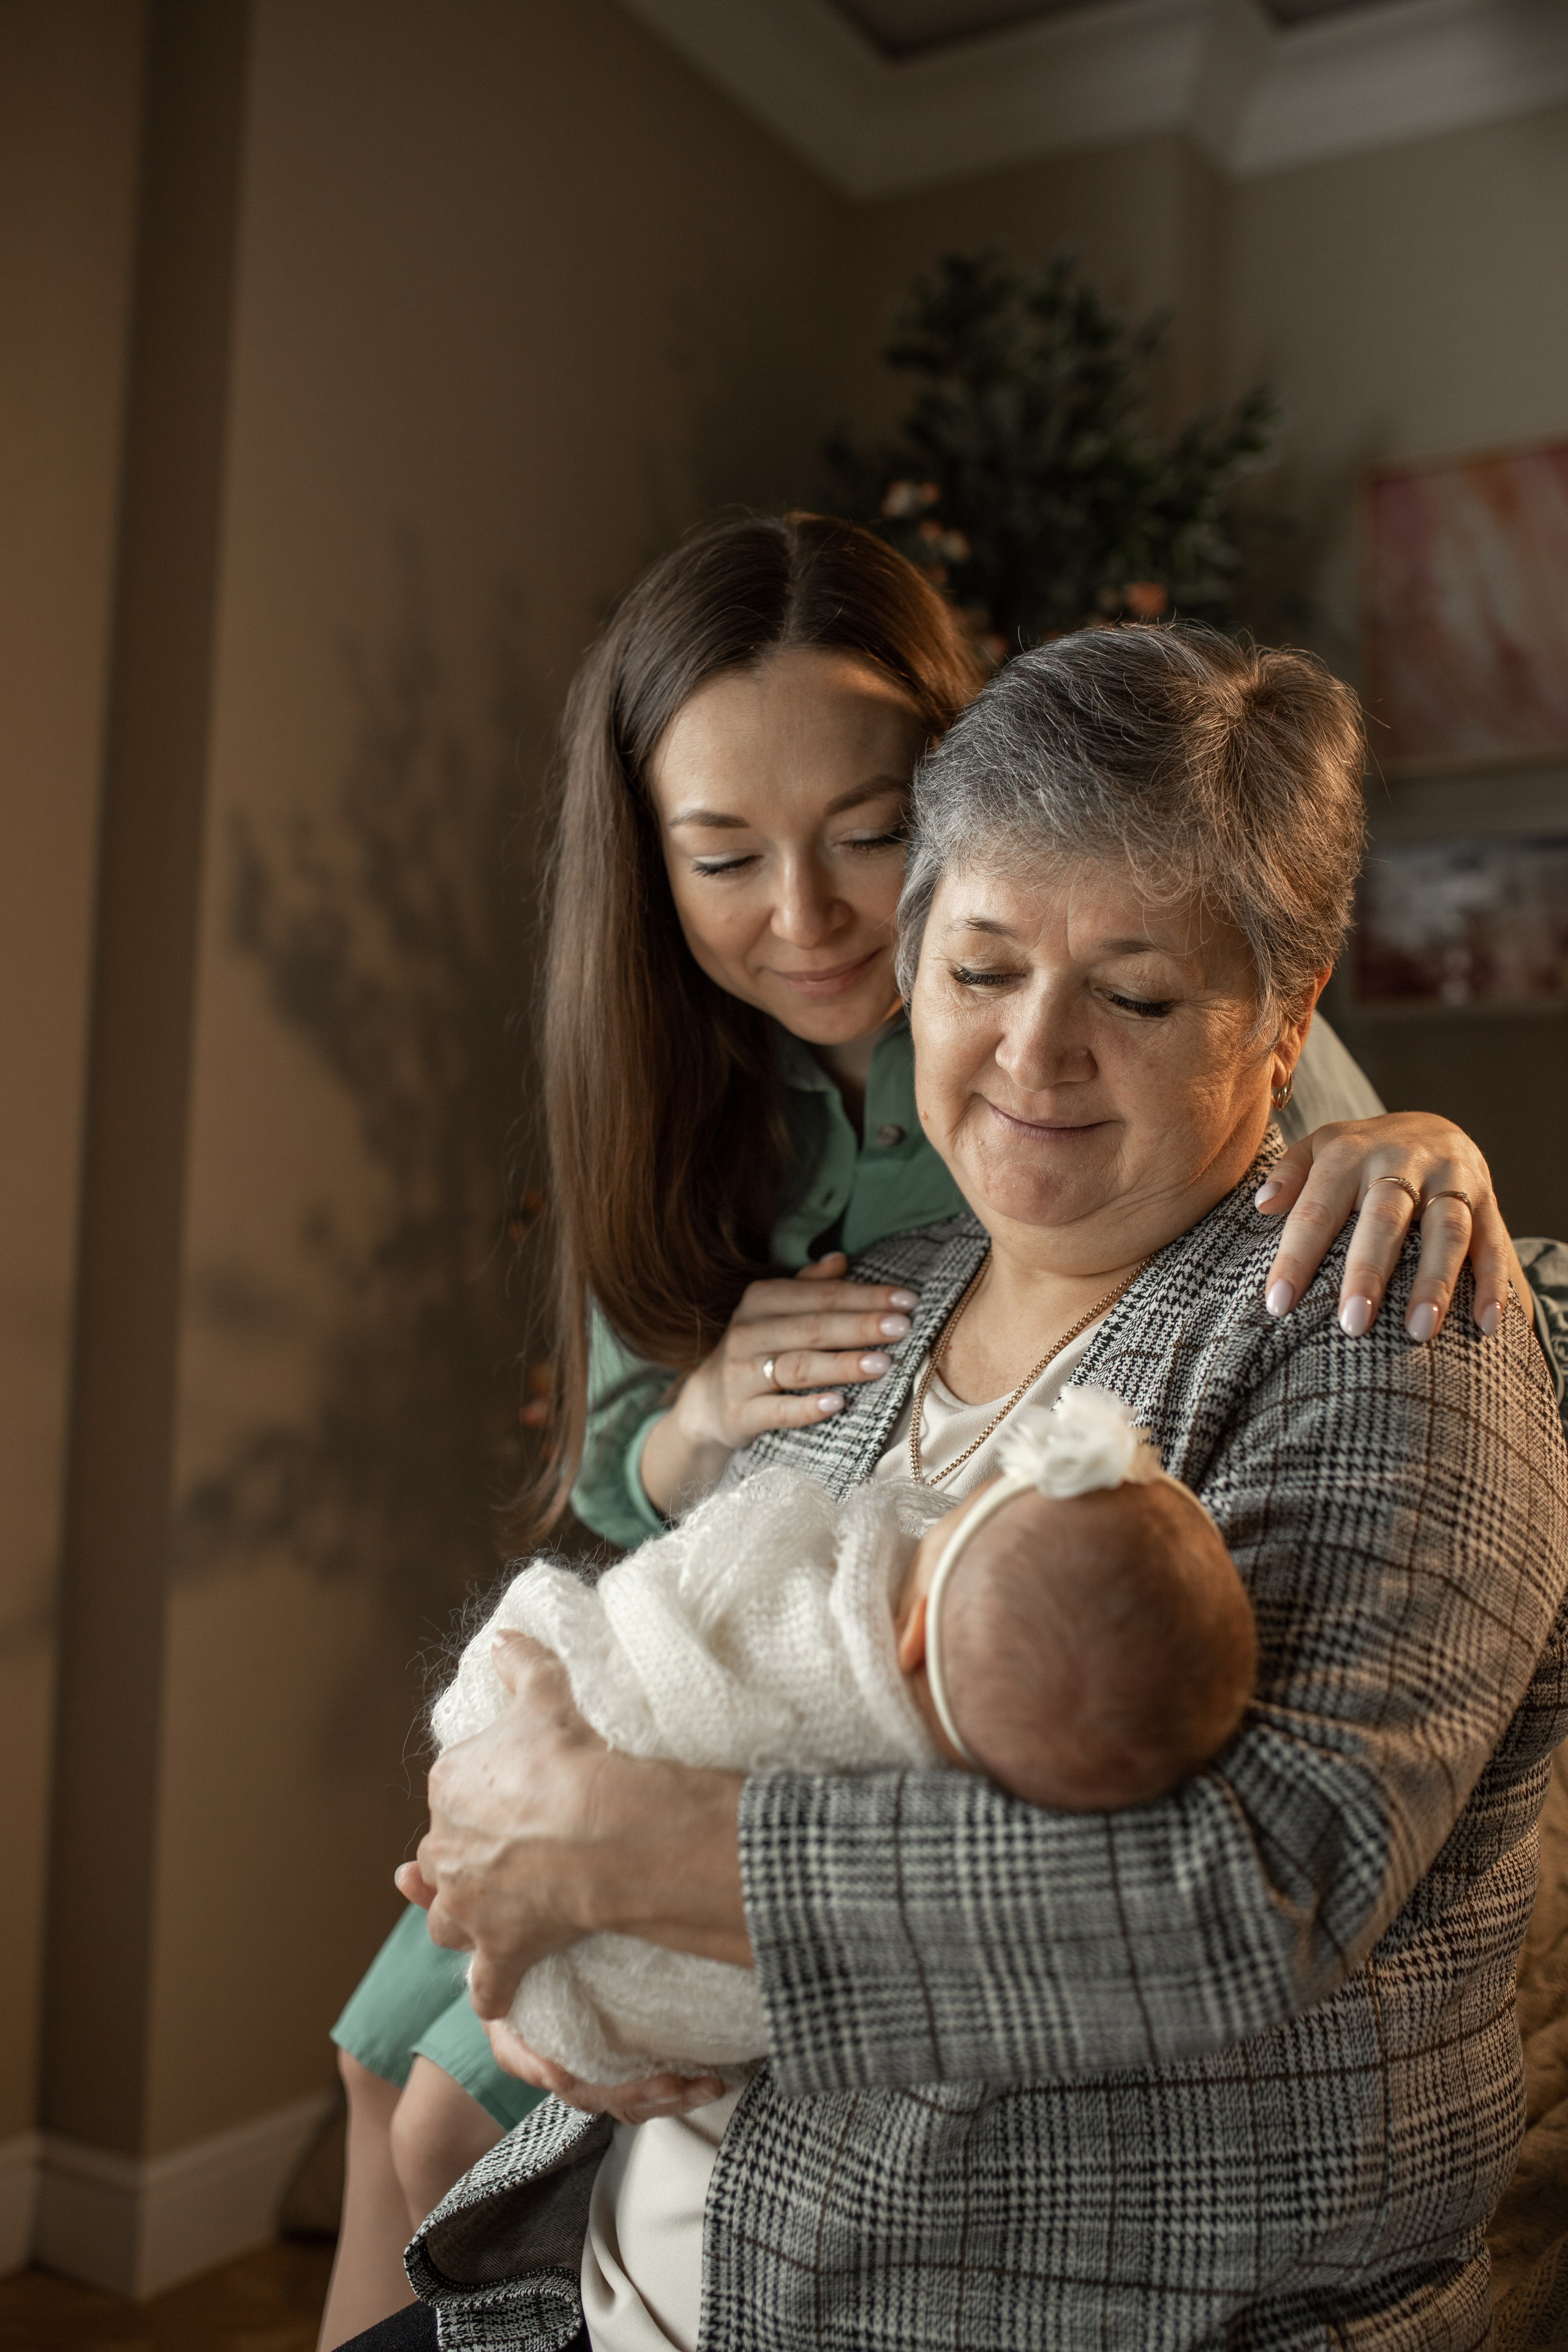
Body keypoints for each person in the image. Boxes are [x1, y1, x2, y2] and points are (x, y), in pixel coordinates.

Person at [318, 520, 1531, 2348]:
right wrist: (523, 1860)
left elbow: (1245, 1900)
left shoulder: (1378, 1319)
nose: (1037, 1058)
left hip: (978, 2291)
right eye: (978, 973)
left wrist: (619, 1855)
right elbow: (690, 1615)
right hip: (616, 2249)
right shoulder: (882, 1283)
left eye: (1136, 995)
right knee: (391, 2126)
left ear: (1286, 1027)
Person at [428, 1391, 1253, 2089]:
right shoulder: (964, 1802)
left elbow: (721, 1557)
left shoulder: (831, 1647)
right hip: (611, 2016)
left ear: (917, 1632)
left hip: (552, 1814)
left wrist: (569, 1821)